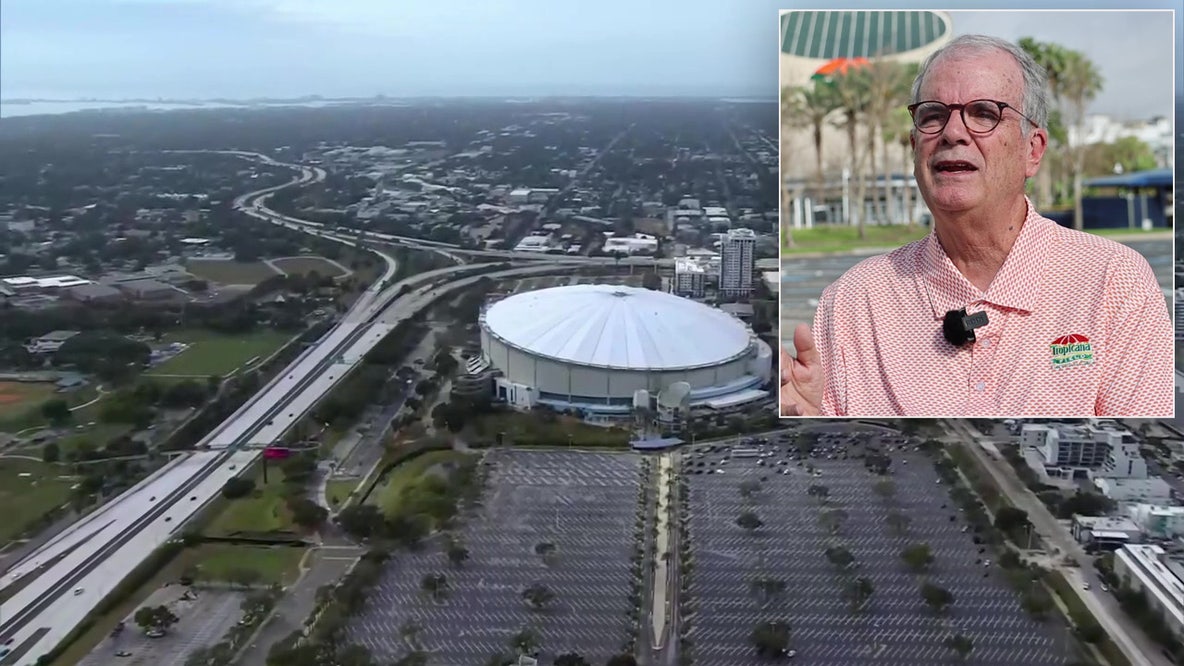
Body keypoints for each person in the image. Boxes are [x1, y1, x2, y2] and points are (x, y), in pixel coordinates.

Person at [781, 34, 1173, 418]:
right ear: (914, 145)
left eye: (984, 113)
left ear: (1032, 151)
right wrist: (809, 430)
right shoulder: (852, 304)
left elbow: (1142, 465)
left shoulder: (1113, 282)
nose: (952, 132)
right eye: (932, 115)